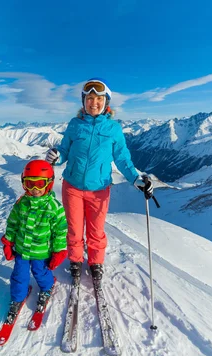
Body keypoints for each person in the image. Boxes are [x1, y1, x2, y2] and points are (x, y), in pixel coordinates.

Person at [45, 77, 153, 280]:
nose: (93, 102)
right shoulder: (75, 125)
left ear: (106, 103)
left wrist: (136, 179)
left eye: (98, 99)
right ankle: (76, 260)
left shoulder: (113, 129)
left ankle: (95, 262)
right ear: (83, 101)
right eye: (89, 98)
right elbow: (65, 150)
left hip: (99, 190)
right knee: (75, 230)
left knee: (96, 231)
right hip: (72, 187)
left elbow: (122, 158)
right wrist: (57, 157)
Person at [0, 160, 68, 323]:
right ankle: (17, 298)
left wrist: (59, 251)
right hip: (22, 251)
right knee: (19, 276)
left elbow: (60, 232)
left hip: (41, 252)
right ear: (24, 184)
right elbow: (13, 224)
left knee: (41, 272)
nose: (35, 189)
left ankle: (47, 287)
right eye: (30, 184)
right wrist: (8, 242)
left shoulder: (54, 207)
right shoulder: (21, 204)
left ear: (49, 184)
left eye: (39, 184)